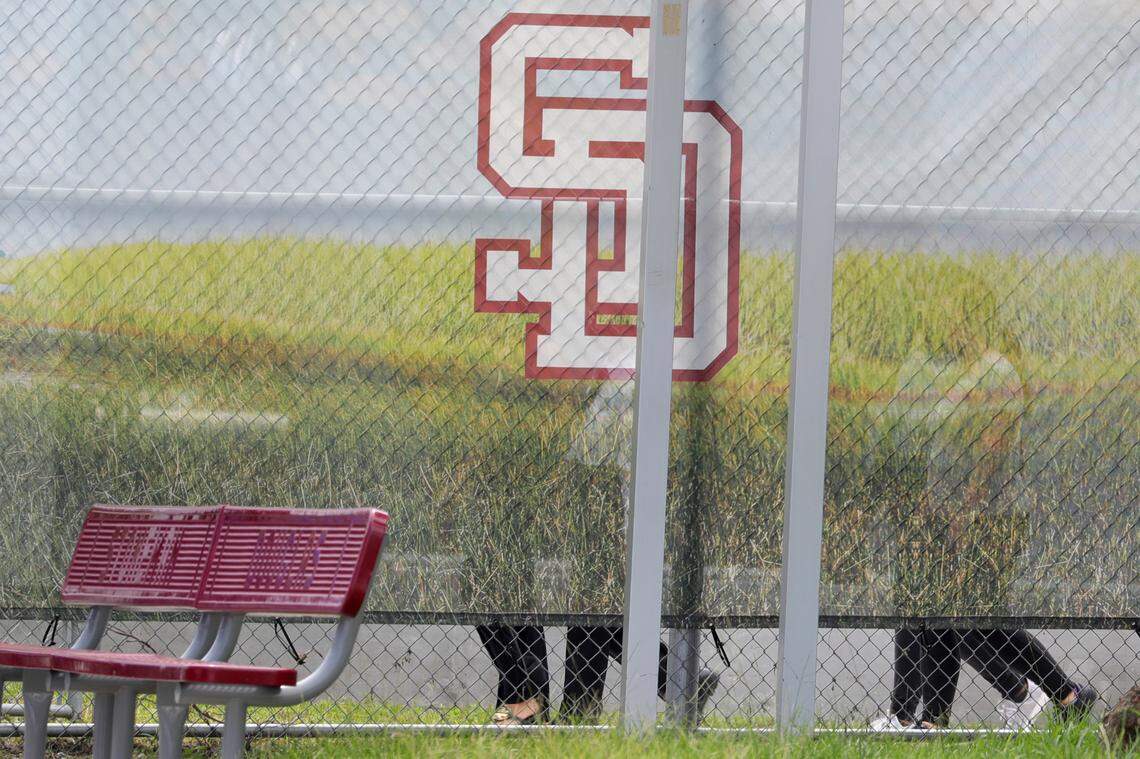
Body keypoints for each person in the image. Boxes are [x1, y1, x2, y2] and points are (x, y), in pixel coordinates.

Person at [874, 296, 1097, 730]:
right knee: (944, 617)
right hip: (948, 513)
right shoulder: (954, 372)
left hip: (985, 515)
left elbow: (994, 444)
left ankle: (1059, 694)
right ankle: (929, 719)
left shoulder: (995, 371)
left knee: (974, 623)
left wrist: (967, 508)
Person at [478, 381, 719, 725]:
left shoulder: (603, 398)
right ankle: (578, 704)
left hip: (579, 482)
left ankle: (542, 704)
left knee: (584, 603)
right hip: (567, 476)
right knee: (576, 602)